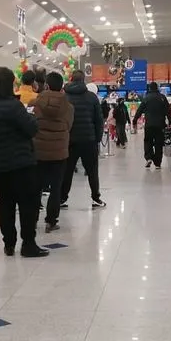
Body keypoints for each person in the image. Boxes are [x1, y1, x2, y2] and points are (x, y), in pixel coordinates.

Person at [0, 67, 48, 257]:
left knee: (5, 202)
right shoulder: (13, 106)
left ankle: (9, 243)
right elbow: (31, 129)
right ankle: (28, 244)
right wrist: (31, 117)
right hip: (19, 163)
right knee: (27, 203)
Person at [33, 72, 74, 233]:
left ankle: (33, 218)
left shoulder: (36, 103)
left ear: (47, 86)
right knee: (56, 188)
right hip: (59, 152)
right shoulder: (69, 107)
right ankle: (51, 221)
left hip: (39, 152)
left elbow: (32, 124)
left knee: (36, 187)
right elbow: (68, 127)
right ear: (62, 86)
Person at [61, 71, 106, 208]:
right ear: (83, 80)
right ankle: (95, 198)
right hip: (89, 139)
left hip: (69, 140)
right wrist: (97, 138)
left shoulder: (64, 97)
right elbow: (98, 120)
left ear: (71, 79)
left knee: (67, 171)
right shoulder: (92, 97)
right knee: (92, 171)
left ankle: (62, 198)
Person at [135, 82, 171, 169]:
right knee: (158, 143)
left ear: (150, 89)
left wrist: (134, 120)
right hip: (160, 125)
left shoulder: (146, 98)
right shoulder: (162, 98)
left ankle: (149, 157)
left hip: (149, 125)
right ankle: (158, 163)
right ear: (157, 88)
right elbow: (168, 110)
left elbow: (140, 110)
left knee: (148, 141)